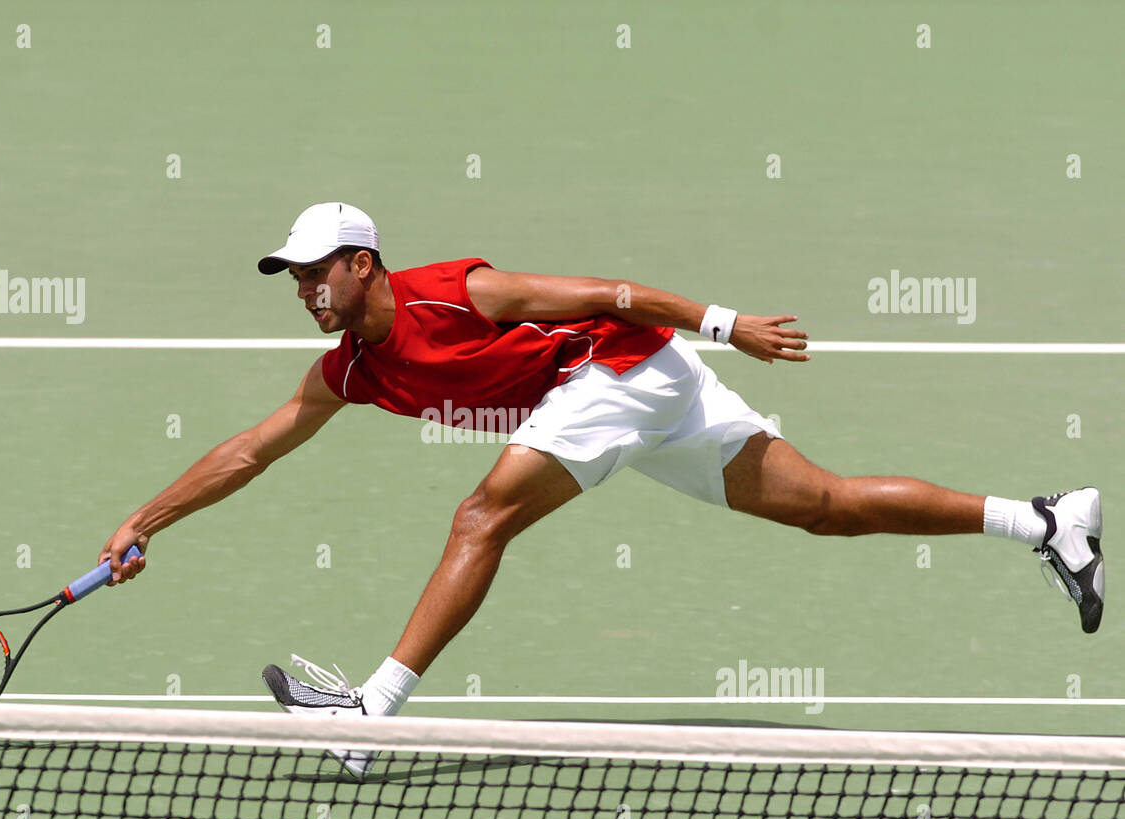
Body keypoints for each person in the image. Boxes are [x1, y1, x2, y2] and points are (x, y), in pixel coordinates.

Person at [100, 202, 1105, 776]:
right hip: (642, 390)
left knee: (480, 514)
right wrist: (145, 519)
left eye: (315, 272)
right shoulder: (352, 374)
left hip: (621, 370)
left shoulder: (459, 290)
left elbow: (606, 296)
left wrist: (728, 322)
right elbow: (249, 449)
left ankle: (372, 714)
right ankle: (1048, 520)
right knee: (827, 505)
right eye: (292, 278)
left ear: (364, 264)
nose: (303, 290)